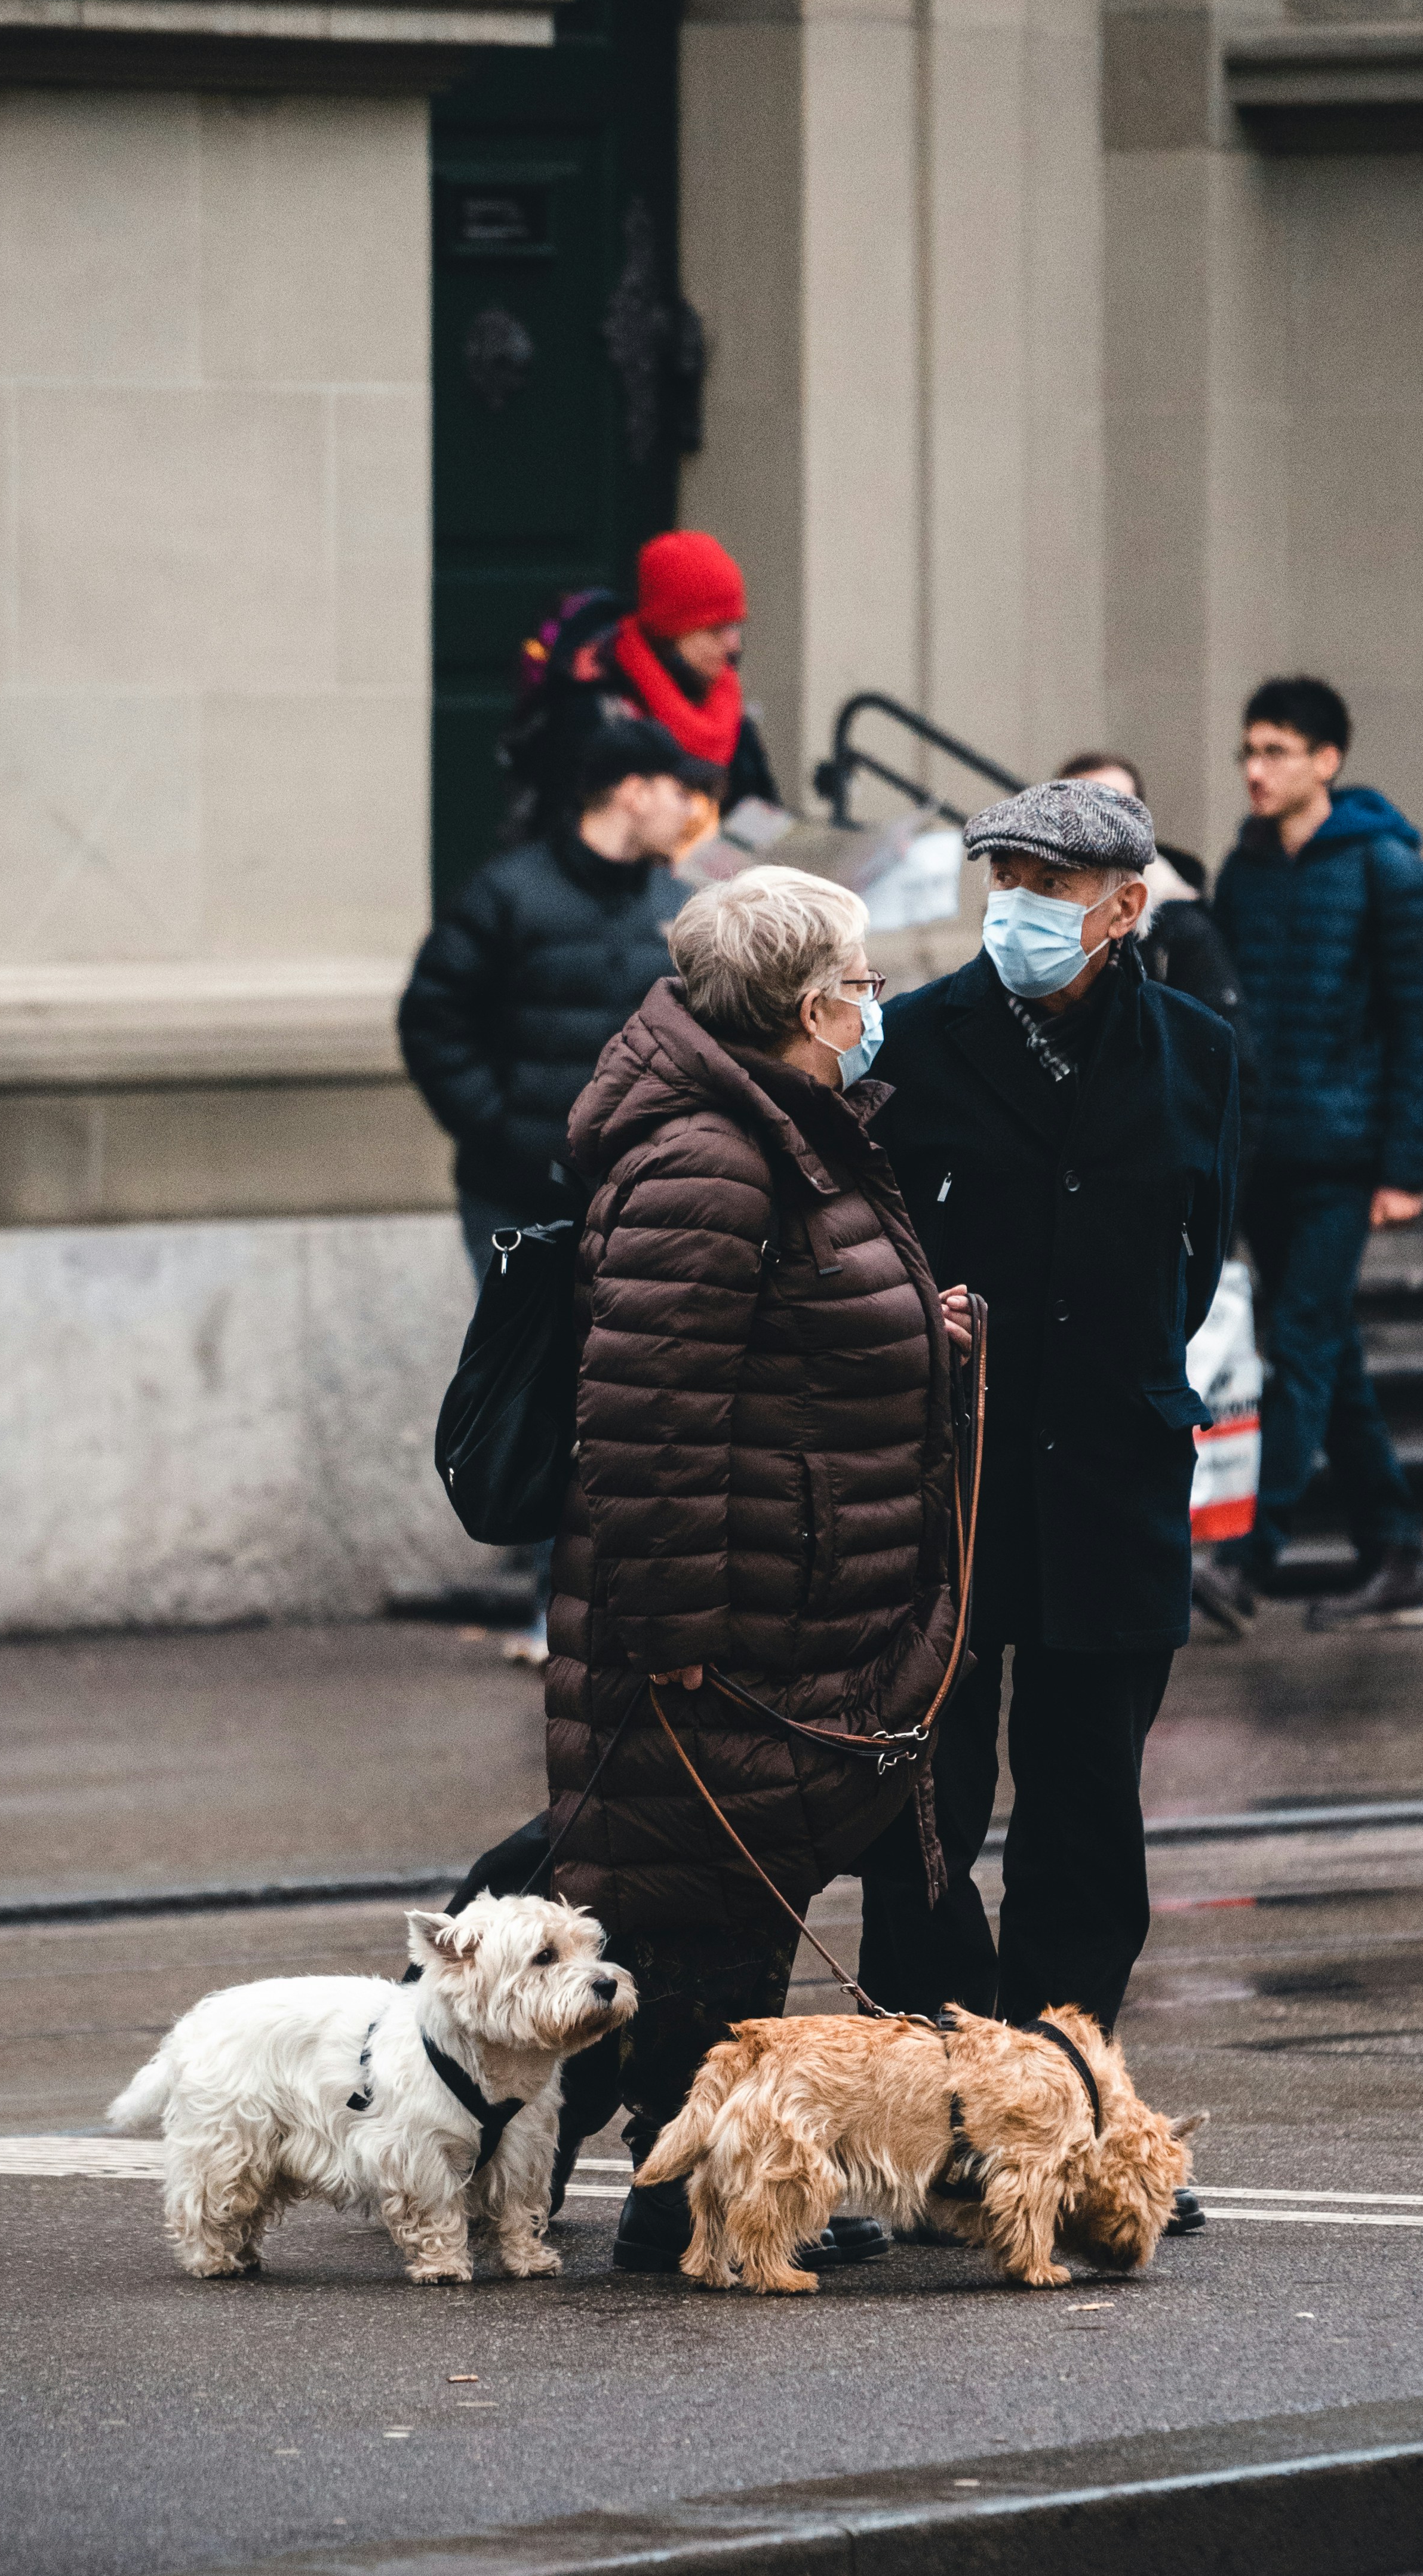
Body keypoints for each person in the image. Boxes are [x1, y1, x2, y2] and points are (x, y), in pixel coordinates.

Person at [541, 865, 975, 2274]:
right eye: (861, 982)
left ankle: (714, 2186)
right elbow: (650, 1415)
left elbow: (794, 1331)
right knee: (704, 1898)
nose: (874, 1004)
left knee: (730, 1886)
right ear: (805, 1005)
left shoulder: (781, 1124)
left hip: (795, 1595)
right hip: (728, 1615)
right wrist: (674, 1629)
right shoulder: (711, 1156)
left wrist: (927, 1327)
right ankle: (683, 2201)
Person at [855, 779, 1238, 2040]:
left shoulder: (1195, 1050)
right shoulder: (909, 1043)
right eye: (1000, 879)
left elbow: (1200, 1254)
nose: (1013, 904)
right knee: (923, 1813)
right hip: (946, 1494)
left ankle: (1061, 2098)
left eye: (1047, 885)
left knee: (1086, 1822)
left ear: (1124, 906)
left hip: (1110, 1484)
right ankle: (933, 2097)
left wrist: (1120, 1376)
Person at [398, 718, 708, 1660]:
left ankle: (600, 1599)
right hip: (517, 1193)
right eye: (673, 786)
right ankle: (547, 1603)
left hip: (635, 1189)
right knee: (541, 1385)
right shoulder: (509, 892)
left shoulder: (678, 902)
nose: (690, 809)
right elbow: (432, 1018)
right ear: (626, 790)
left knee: (623, 1390)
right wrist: (501, 1127)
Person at [1195, 675, 1423, 1640]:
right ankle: (1396, 1554)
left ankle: (1246, 1557)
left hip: (1344, 1159)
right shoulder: (1245, 867)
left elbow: (1421, 1024)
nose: (1254, 769)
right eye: (1246, 751)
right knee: (1329, 1358)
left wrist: (1405, 1168)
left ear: (1324, 761)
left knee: (1297, 1353)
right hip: (1260, 1152)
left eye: (1273, 751)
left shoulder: (1389, 868)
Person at [520, 530, 780, 834]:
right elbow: (566, 834)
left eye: (735, 626)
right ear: (669, 635)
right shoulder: (595, 711)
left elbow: (764, 821)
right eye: (715, 630)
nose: (733, 645)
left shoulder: (728, 707)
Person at [1053, 751, 1256, 1107]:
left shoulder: (1181, 929)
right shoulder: (1037, 925)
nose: (1102, 826)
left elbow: (1231, 1072)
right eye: (1083, 812)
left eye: (1119, 809)